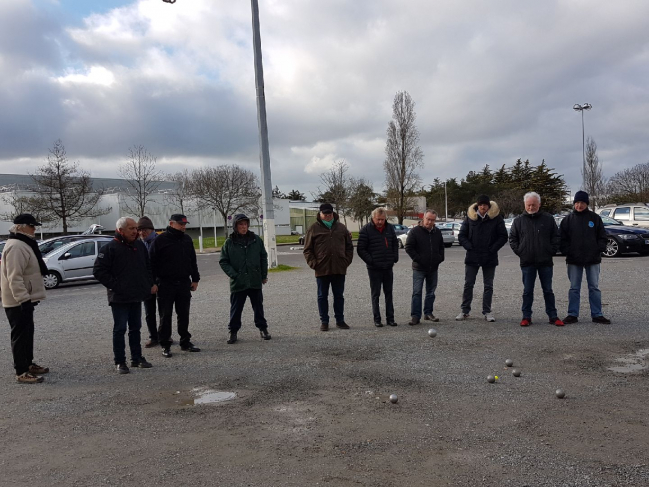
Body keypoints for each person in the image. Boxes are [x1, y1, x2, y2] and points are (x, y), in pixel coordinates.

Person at [93, 217, 155, 374]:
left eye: (136, 228)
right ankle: (120, 361)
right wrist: (116, 286)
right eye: (131, 228)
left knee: (136, 329)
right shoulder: (110, 248)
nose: (135, 231)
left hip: (136, 295)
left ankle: (137, 358)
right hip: (119, 298)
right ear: (120, 230)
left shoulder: (139, 246)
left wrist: (149, 284)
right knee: (120, 329)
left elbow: (147, 267)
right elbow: (99, 271)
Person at [1, 214, 49, 384]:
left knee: (28, 333)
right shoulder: (16, 247)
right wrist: (23, 300)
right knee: (20, 336)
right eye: (31, 225)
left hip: (25, 299)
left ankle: (28, 364)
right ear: (20, 227)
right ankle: (21, 371)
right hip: (17, 301)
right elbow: (14, 277)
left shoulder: (24, 243)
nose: (34, 228)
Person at [149, 214, 201, 357]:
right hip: (165, 283)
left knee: (184, 314)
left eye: (184, 224)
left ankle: (185, 342)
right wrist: (152, 283)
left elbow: (192, 260)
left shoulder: (186, 239)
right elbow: (151, 264)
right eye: (180, 224)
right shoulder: (159, 241)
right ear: (171, 224)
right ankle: (165, 344)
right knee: (165, 315)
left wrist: (195, 279)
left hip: (183, 282)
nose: (183, 227)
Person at [509, 192, 564, 327]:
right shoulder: (518, 221)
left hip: (545, 261)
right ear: (525, 205)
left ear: (539, 204)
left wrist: (550, 250)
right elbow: (512, 239)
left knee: (548, 290)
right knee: (527, 291)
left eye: (533, 204)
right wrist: (521, 252)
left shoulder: (548, 219)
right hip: (527, 262)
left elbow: (556, 237)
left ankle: (553, 316)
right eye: (528, 205)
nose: (531, 207)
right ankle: (526, 316)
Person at [559, 191, 611, 324]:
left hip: (592, 259)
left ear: (586, 203)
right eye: (577, 203)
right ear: (574, 204)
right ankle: (572, 314)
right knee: (574, 288)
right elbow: (562, 239)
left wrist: (599, 249)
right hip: (574, 259)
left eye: (582, 203)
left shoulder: (595, 219)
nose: (579, 205)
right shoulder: (567, 220)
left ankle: (597, 314)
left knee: (594, 287)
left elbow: (602, 237)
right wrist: (567, 251)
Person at [219, 214, 271, 344]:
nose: (243, 227)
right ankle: (233, 331)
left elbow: (263, 258)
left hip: (254, 279)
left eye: (245, 224)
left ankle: (263, 328)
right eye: (240, 224)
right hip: (238, 281)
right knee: (236, 308)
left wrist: (263, 275)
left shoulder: (256, 240)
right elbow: (223, 261)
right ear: (235, 226)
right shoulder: (229, 242)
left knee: (258, 306)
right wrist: (234, 275)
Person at [456, 195, 508, 322]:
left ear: (489, 206)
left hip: (489, 257)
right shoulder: (470, 218)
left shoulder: (496, 219)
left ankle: (487, 311)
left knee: (488, 286)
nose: (483, 207)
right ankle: (465, 310)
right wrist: (469, 247)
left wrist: (493, 249)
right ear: (477, 205)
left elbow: (503, 236)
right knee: (468, 284)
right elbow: (462, 235)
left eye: (485, 205)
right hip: (472, 256)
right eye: (480, 205)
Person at [303, 203, 354, 331]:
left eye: (329, 214)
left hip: (339, 268)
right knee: (322, 296)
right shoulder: (313, 229)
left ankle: (340, 320)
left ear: (333, 213)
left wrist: (346, 261)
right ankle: (324, 321)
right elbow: (307, 250)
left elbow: (349, 247)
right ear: (320, 214)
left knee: (339, 296)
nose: (327, 216)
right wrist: (314, 264)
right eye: (325, 214)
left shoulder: (341, 228)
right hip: (322, 269)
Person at [356, 207, 399, 327]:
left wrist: (394, 257)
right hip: (374, 268)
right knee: (376, 294)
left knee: (389, 293)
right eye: (378, 219)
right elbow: (361, 249)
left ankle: (390, 318)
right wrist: (371, 261)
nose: (380, 222)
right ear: (373, 218)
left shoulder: (389, 228)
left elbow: (394, 243)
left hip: (388, 266)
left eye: (383, 219)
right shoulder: (366, 230)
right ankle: (377, 319)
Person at [405, 210, 445, 325]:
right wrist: (419, 259)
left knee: (431, 292)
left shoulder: (437, 232)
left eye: (432, 220)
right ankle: (415, 316)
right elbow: (408, 247)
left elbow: (441, 246)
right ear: (423, 218)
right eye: (428, 219)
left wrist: (440, 258)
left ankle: (428, 313)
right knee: (417, 292)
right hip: (419, 268)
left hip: (433, 267)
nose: (429, 222)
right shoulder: (415, 231)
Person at [137, 216, 161, 348]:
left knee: (164, 311)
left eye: (144, 230)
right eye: (139, 230)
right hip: (146, 283)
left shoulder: (159, 241)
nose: (141, 233)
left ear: (151, 229)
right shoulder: (140, 243)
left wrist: (156, 282)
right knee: (149, 312)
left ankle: (164, 335)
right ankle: (153, 336)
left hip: (160, 282)